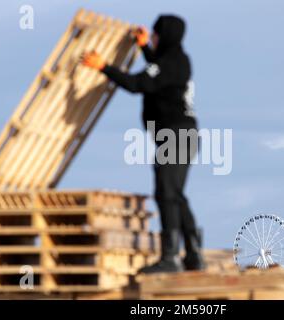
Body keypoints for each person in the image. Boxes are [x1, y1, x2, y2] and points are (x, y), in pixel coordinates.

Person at [81, 15, 205, 273]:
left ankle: (170, 258)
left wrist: (103, 67)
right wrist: (144, 46)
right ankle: (194, 256)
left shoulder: (170, 62)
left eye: (156, 35)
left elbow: (138, 83)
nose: (154, 39)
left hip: (176, 135)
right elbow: (156, 71)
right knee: (175, 196)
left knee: (166, 194)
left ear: (166, 36)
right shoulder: (177, 60)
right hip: (183, 134)